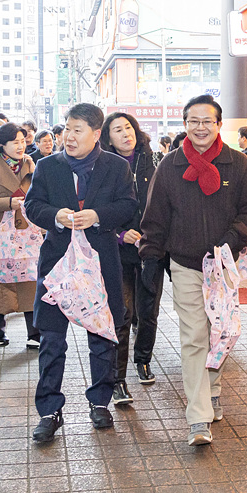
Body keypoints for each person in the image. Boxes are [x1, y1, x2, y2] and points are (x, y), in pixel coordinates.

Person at [139, 95, 247, 446]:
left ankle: (213, 387)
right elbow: (155, 218)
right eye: (193, 121)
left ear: (218, 125)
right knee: (194, 335)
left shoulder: (238, 164)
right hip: (185, 265)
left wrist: (230, 239)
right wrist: (151, 258)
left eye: (207, 121)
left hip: (224, 266)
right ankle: (198, 417)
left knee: (221, 331)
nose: (200, 128)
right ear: (185, 125)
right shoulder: (169, 166)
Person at [24, 103, 136, 443]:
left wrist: (98, 215)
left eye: (77, 130)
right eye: (67, 129)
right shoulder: (47, 166)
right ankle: (49, 410)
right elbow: (32, 205)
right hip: (59, 265)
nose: (68, 137)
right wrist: (56, 215)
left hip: (100, 263)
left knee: (102, 335)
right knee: (52, 339)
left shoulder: (116, 167)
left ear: (96, 133)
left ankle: (100, 402)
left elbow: (130, 206)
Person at [100, 112, 161, 405]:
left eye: (128, 128)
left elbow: (166, 203)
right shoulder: (104, 166)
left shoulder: (154, 160)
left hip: (151, 249)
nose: (126, 134)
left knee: (148, 309)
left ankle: (143, 359)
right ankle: (118, 379)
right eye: (117, 130)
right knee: (123, 314)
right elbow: (98, 211)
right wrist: (120, 234)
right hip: (119, 251)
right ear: (107, 137)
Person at [0, 123, 40, 348]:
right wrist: (7, 203)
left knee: (30, 279)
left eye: (23, 141)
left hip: (27, 232)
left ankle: (34, 333)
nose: (21, 146)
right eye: (15, 142)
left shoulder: (30, 164)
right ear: (2, 144)